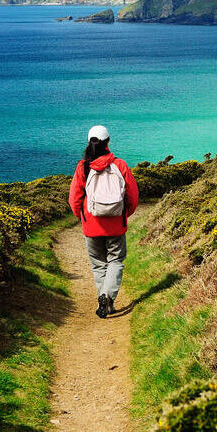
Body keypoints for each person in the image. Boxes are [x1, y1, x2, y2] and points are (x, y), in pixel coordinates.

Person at [69, 125, 139, 318]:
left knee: (99, 264)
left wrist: (82, 217)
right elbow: (133, 196)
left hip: (91, 226)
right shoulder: (120, 165)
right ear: (108, 141)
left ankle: (103, 297)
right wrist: (124, 215)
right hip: (116, 224)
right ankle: (107, 298)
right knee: (115, 261)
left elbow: (74, 198)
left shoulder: (83, 167)